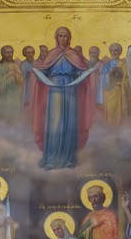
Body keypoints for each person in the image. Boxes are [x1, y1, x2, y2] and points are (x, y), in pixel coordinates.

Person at [31, 27, 97, 170]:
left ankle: (69, 158)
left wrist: (88, 72)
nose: (62, 39)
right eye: (60, 36)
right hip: (55, 90)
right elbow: (43, 71)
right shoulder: (52, 54)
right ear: (56, 38)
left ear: (69, 38)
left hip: (71, 90)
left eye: (65, 36)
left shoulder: (73, 54)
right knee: (55, 123)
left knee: (70, 123)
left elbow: (81, 71)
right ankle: (51, 158)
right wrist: (38, 73)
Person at [0, 45, 24, 124]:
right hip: (4, 95)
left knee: (15, 116)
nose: (10, 54)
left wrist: (16, 75)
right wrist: (9, 74)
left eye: (11, 52)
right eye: (7, 52)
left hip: (15, 94)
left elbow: (21, 79)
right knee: (4, 117)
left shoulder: (15, 65)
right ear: (2, 54)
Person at [98, 43, 131, 125]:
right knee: (110, 109)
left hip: (119, 89)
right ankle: (110, 126)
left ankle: (118, 126)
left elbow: (127, 78)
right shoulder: (107, 63)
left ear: (120, 51)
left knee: (117, 109)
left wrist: (121, 83)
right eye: (112, 50)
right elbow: (102, 76)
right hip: (108, 90)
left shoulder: (123, 63)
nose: (114, 52)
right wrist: (109, 74)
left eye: (116, 50)